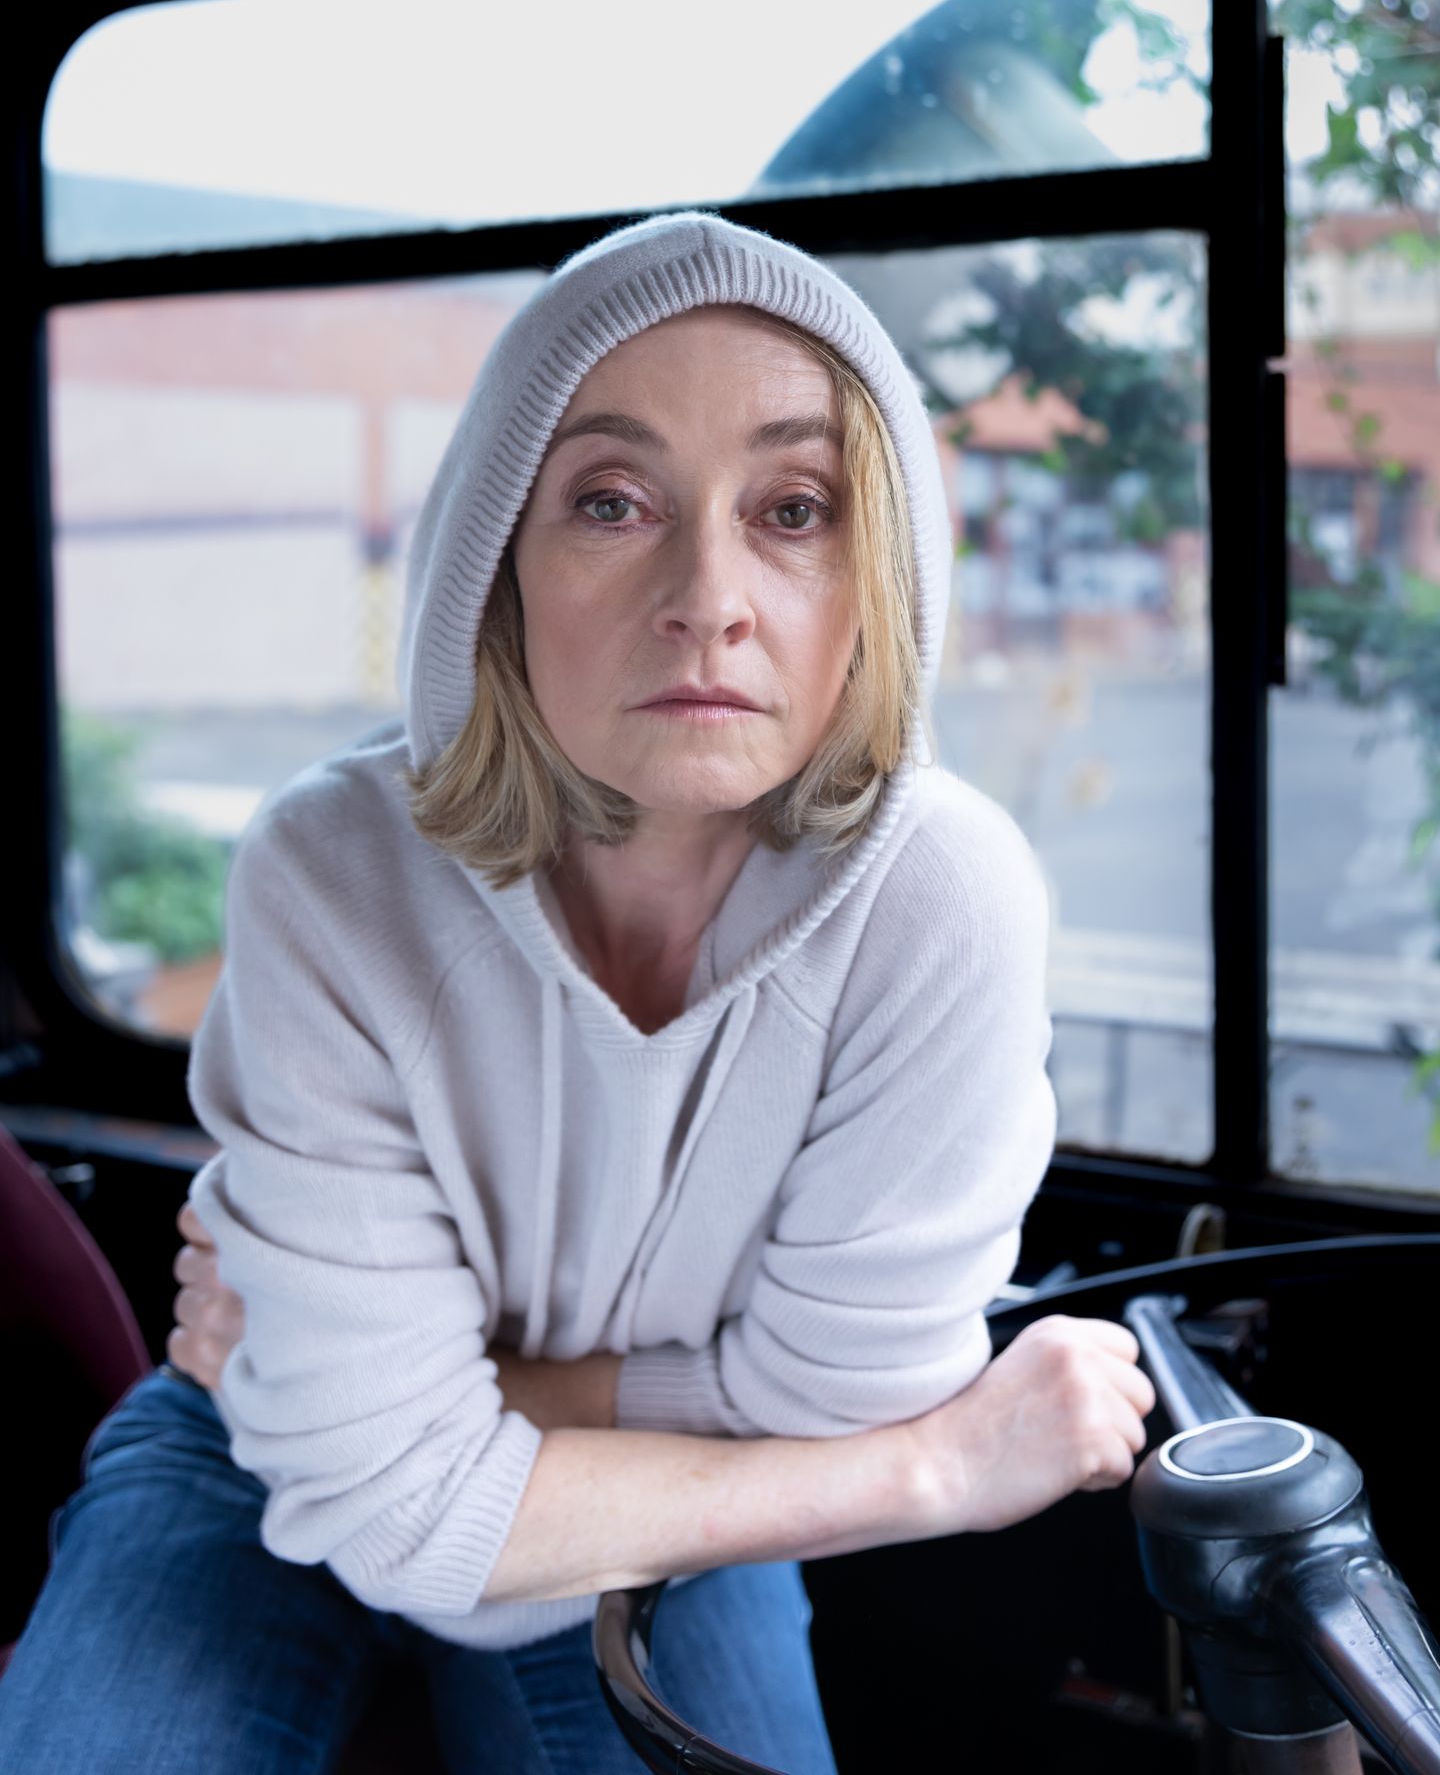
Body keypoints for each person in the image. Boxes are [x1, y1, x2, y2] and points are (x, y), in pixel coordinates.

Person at [0, 210, 1155, 1773]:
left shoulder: (944, 900)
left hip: (612, 1479)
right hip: (246, 1444)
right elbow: (835, 1437)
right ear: (501, 565)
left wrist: (427, 1413)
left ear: (877, 576)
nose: (709, 596)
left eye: (795, 508)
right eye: (612, 502)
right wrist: (930, 1471)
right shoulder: (333, 872)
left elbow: (842, 1392)